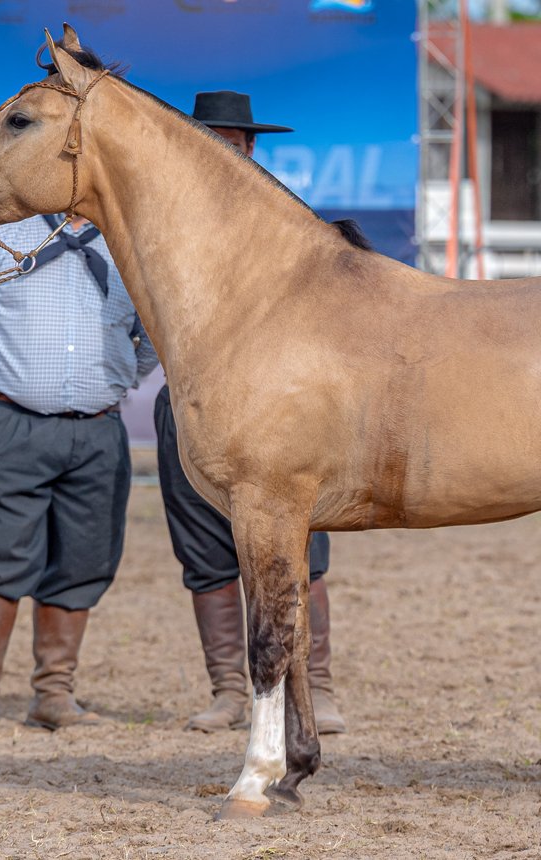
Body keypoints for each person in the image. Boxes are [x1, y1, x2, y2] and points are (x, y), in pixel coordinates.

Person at [155, 91, 347, 735]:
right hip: (196, 402)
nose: (220, 153)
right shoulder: (162, 223)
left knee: (300, 553)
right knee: (206, 554)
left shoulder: (288, 222)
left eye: (230, 143)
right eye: (207, 140)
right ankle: (228, 691)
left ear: (250, 149)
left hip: (283, 404)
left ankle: (315, 682)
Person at [0, 213, 158, 731]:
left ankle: (54, 695)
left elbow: (150, 333)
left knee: (83, 561)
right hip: (14, 428)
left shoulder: (131, 241)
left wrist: (119, 379)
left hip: (99, 432)